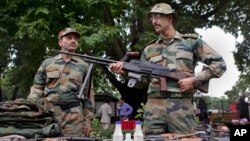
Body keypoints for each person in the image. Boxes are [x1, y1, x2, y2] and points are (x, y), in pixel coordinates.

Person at [109, 3, 226, 135]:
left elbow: (219, 64)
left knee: (185, 139)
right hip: (154, 108)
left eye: (158, 16)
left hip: (181, 107)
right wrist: (125, 73)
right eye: (152, 18)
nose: (154, 21)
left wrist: (195, 80)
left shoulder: (191, 42)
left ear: (170, 18)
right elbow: (142, 83)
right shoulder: (149, 49)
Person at [27, 27, 93, 136]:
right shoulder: (48, 63)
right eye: (69, 38)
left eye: (76, 39)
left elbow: (88, 95)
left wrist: (88, 120)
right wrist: (31, 104)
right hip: (49, 114)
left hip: (74, 118)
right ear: (60, 42)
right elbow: (37, 87)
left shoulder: (84, 66)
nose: (73, 41)